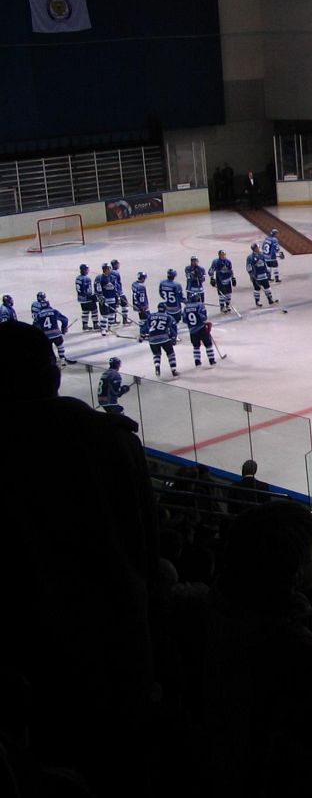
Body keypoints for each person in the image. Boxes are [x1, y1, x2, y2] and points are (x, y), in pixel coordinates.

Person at [0, 321, 158, 798]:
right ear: (51, 374)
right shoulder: (105, 439)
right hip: (111, 646)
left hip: (21, 656)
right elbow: (145, 551)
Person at [139, 302, 179, 377]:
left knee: (156, 354)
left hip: (152, 340)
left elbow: (145, 327)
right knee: (171, 354)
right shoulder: (168, 317)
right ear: (165, 308)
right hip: (164, 338)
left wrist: (142, 336)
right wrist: (173, 338)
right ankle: (174, 370)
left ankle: (157, 367)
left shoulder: (151, 316)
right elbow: (173, 328)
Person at [32, 293, 71, 365]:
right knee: (60, 345)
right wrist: (64, 328)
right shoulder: (54, 311)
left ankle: (52, 362)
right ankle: (62, 359)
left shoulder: (39, 314)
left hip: (46, 336)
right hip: (56, 334)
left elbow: (35, 326)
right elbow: (65, 319)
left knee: (49, 349)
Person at [182, 288, 217, 366]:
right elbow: (203, 317)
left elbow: (184, 320)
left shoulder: (186, 307)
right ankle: (212, 360)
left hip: (192, 331)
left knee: (196, 346)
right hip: (201, 328)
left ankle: (197, 361)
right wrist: (206, 322)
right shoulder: (200, 305)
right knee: (208, 345)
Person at [94, 262, 119, 334]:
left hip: (112, 299)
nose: (110, 270)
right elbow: (98, 289)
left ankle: (109, 327)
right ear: (106, 269)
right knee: (105, 315)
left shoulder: (113, 278)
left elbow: (115, 288)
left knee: (112, 314)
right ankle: (103, 329)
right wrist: (100, 297)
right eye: (109, 268)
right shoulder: (99, 278)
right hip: (104, 300)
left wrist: (117, 298)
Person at [209, 249, 236, 314]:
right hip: (220, 280)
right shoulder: (216, 262)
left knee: (228, 294)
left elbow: (231, 270)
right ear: (219, 255)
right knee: (222, 294)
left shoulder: (228, 261)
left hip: (228, 279)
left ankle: (227, 305)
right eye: (222, 255)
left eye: (224, 255)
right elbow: (211, 270)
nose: (223, 256)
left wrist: (233, 278)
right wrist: (212, 278)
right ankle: (222, 307)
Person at [75, 262, 98, 331]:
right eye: (87, 269)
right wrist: (92, 297)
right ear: (84, 270)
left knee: (85, 311)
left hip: (81, 299)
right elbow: (88, 289)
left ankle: (85, 325)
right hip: (87, 299)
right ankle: (95, 324)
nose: (88, 270)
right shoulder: (86, 278)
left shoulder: (78, 278)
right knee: (94, 310)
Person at [109, 258, 132, 325]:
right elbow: (116, 283)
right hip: (118, 292)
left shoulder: (110, 272)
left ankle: (114, 320)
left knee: (115, 306)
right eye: (118, 264)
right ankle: (125, 320)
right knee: (125, 304)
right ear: (115, 265)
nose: (119, 265)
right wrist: (118, 293)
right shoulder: (115, 273)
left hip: (113, 293)